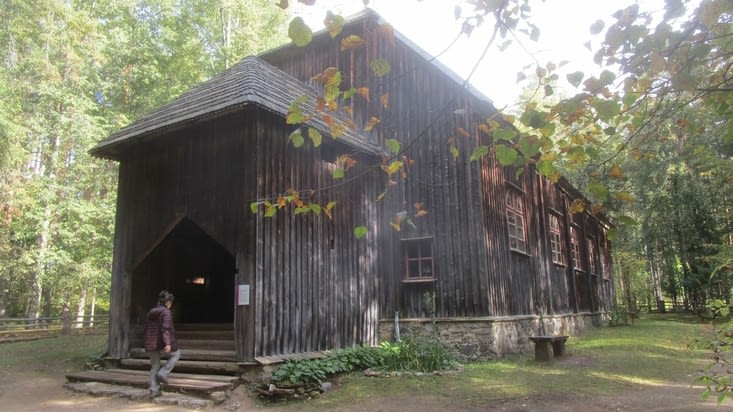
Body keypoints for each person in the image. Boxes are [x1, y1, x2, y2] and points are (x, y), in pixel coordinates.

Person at [143, 290, 181, 398]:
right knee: (176, 354)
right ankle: (163, 373)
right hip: (161, 342)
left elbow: (146, 328)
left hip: (150, 343)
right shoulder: (166, 312)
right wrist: (167, 343)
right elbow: (166, 329)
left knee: (154, 366)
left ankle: (154, 390)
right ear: (168, 302)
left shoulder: (151, 312)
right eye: (171, 302)